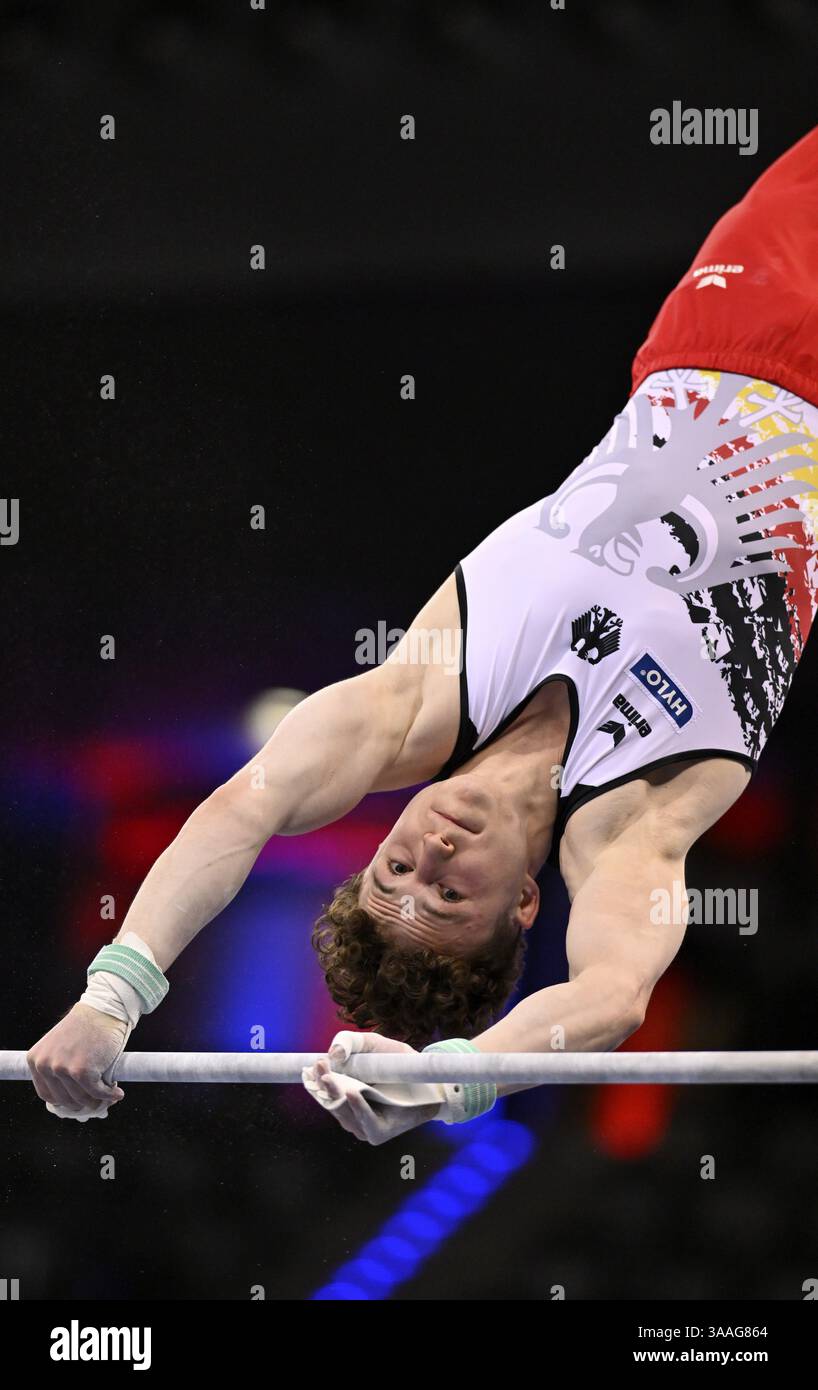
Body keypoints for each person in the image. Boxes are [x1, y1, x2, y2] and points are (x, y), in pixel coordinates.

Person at [27, 128, 818, 1141]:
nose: (426, 854)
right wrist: (453, 1081)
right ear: (523, 908)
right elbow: (612, 995)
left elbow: (243, 809)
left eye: (394, 871)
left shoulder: (418, 696)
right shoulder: (627, 824)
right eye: (446, 892)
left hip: (729, 324)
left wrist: (115, 995)